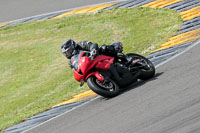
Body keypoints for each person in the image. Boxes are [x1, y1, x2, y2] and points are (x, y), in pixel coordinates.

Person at [61, 39, 133, 82]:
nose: (68, 53)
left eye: (68, 51)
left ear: (72, 46)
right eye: (66, 53)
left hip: (97, 57)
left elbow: (92, 45)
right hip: (89, 66)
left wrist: (93, 50)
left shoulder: (81, 45)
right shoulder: (71, 61)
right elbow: (74, 69)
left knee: (103, 48)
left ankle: (126, 58)